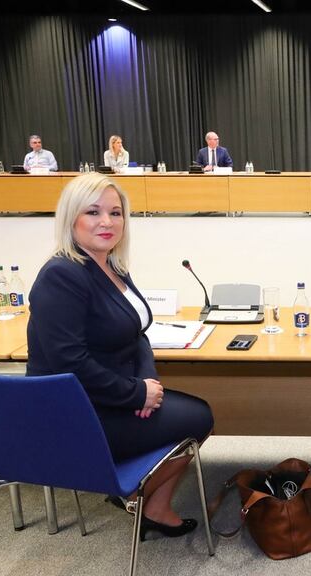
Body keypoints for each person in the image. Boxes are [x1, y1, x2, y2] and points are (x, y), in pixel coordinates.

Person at [26, 173, 214, 539]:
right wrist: (135, 394)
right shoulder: (61, 275)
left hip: (112, 393)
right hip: (75, 412)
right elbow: (70, 365)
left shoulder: (111, 266)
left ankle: (152, 505)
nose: (107, 222)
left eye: (115, 213)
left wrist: (147, 381)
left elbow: (137, 333)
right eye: (93, 212)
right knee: (198, 417)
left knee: (192, 413)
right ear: (71, 218)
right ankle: (136, 496)